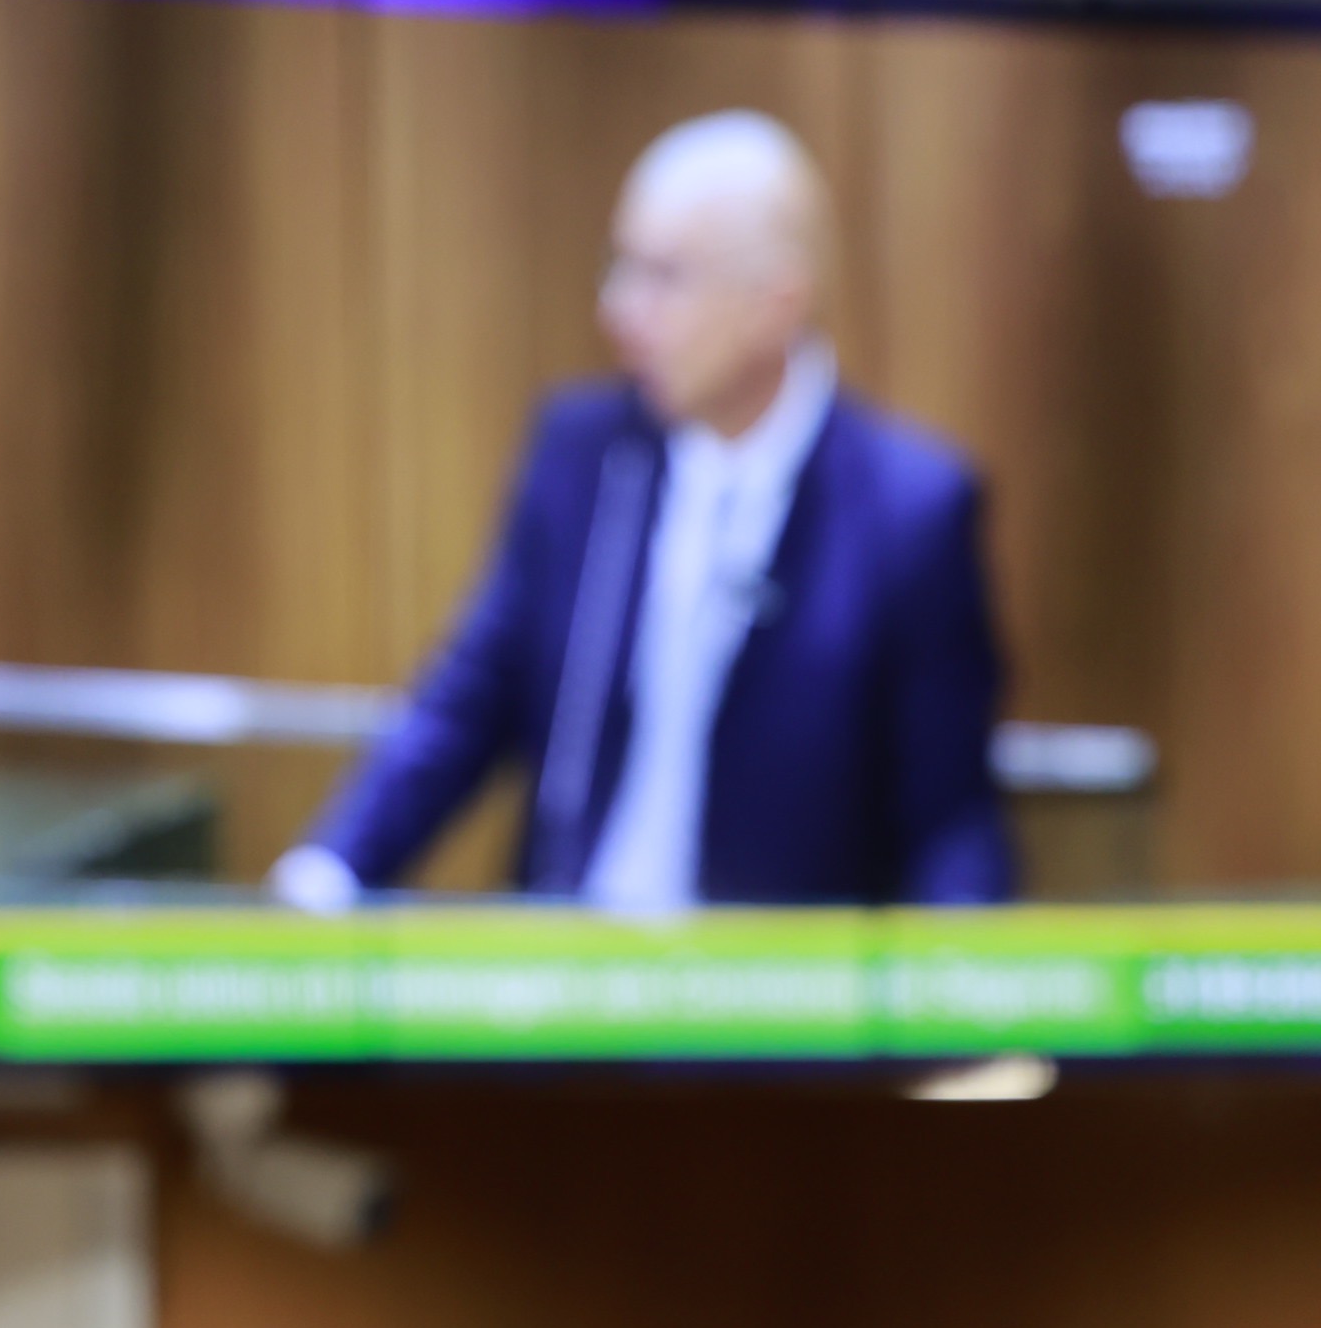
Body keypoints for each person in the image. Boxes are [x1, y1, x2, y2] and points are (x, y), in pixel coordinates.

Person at [273, 110, 1012, 915]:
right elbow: (471, 696)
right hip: (568, 962)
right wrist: (329, 870)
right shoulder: (583, 454)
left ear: (777, 301)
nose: (619, 309)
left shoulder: (910, 512)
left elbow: (950, 818)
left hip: (771, 983)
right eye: (619, 268)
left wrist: (967, 975)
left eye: (664, 278)